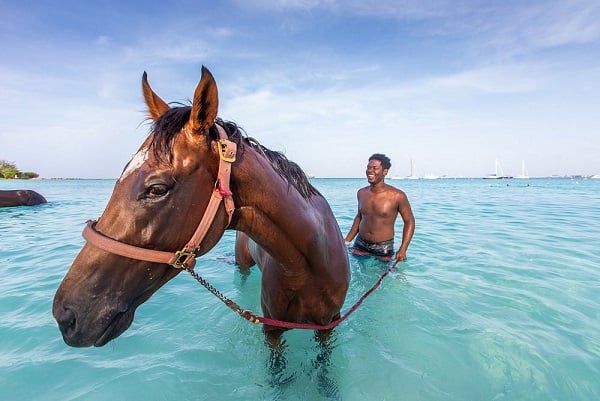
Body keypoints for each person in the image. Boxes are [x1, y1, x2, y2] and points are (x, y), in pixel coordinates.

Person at [345, 153, 415, 262]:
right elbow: (359, 217)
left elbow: (409, 221)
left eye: (374, 168)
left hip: (383, 248)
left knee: (383, 278)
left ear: (385, 172)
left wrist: (403, 249)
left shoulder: (397, 196)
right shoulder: (361, 193)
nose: (369, 171)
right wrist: (346, 241)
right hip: (359, 244)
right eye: (368, 167)